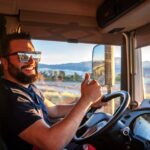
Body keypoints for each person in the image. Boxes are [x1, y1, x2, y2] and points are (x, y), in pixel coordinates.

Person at [0, 32, 103, 150]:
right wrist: (86, 99)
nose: (32, 61)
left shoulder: (28, 87)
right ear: (5, 62)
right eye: (23, 56)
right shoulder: (8, 98)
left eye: (34, 55)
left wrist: (89, 104)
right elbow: (52, 143)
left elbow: (54, 110)